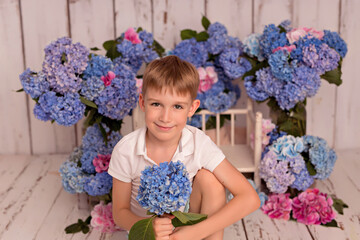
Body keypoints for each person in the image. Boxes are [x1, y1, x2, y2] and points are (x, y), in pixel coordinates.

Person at [108, 55, 260, 240]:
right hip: (148, 234)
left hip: (187, 233)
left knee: (209, 179)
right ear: (142, 103)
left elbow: (250, 198)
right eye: (156, 104)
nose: (165, 117)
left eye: (177, 107)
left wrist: (197, 231)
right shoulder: (126, 150)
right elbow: (120, 212)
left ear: (192, 108)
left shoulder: (198, 142)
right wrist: (150, 228)